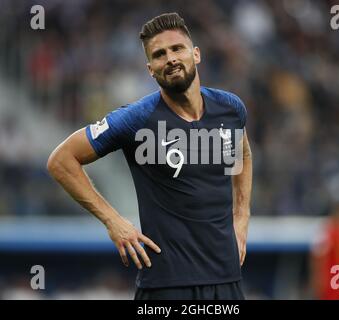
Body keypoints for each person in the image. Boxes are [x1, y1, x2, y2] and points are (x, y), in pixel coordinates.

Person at [47, 12, 253, 300]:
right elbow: (61, 160)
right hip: (165, 287)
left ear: (196, 54)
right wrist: (112, 221)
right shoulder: (137, 118)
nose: (169, 58)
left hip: (227, 281)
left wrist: (241, 216)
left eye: (177, 49)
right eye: (159, 54)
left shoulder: (230, 109)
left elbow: (242, 151)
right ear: (150, 69)